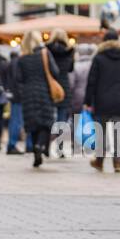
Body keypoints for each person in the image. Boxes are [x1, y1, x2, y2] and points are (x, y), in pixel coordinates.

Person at [84, 29, 120, 173]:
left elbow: (91, 81)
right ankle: (117, 163)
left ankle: (99, 161)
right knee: (117, 133)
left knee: (101, 133)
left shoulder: (99, 58)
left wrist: (88, 101)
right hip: (119, 101)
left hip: (101, 101)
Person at [6, 32, 59, 168]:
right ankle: (39, 145)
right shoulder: (45, 54)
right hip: (44, 91)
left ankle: (36, 147)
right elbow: (55, 71)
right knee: (46, 123)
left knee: (33, 124)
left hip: (28, 93)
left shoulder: (22, 58)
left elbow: (18, 78)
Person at [46, 28, 74, 156]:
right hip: (64, 86)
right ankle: (60, 147)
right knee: (62, 119)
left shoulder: (46, 50)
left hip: (50, 85)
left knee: (48, 117)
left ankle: (45, 146)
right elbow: (70, 69)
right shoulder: (70, 51)